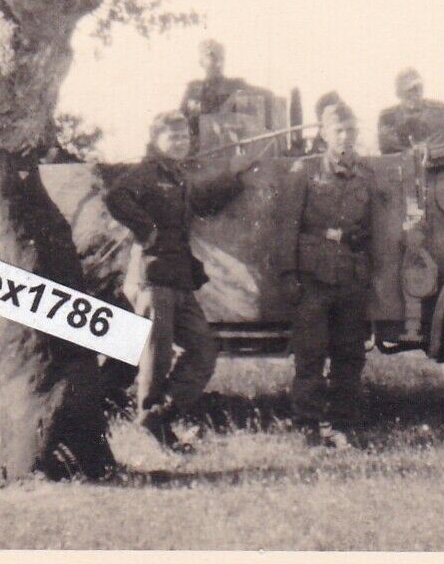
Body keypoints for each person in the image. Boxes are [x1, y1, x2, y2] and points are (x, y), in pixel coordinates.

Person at [105, 111, 258, 452]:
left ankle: (161, 412)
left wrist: (235, 174)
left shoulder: (178, 177)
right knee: (157, 354)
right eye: (172, 136)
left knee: (204, 348)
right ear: (156, 139)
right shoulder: (146, 172)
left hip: (178, 277)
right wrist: (148, 229)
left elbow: (201, 202)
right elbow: (116, 197)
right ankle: (151, 418)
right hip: (154, 275)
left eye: (184, 136)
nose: (180, 142)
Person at [275, 100, 378, 449]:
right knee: (310, 354)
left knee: (350, 354)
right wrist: (289, 274)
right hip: (313, 277)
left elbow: (371, 229)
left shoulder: (366, 175)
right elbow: (288, 226)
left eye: (351, 130)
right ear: (323, 133)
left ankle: (344, 421)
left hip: (350, 276)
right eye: (338, 130)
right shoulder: (304, 171)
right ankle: (307, 424)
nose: (345, 136)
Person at [179, 40, 250, 152]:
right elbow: (181, 119)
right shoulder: (193, 89)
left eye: (222, 59)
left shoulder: (235, 85)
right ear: (201, 62)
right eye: (213, 58)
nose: (219, 64)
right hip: (198, 151)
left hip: (228, 149)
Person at [377, 67, 444, 153]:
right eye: (409, 90)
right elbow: (387, 148)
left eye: (418, 89)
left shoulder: (438, 110)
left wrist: (427, 147)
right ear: (399, 93)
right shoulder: (388, 117)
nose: (415, 94)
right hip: (403, 164)